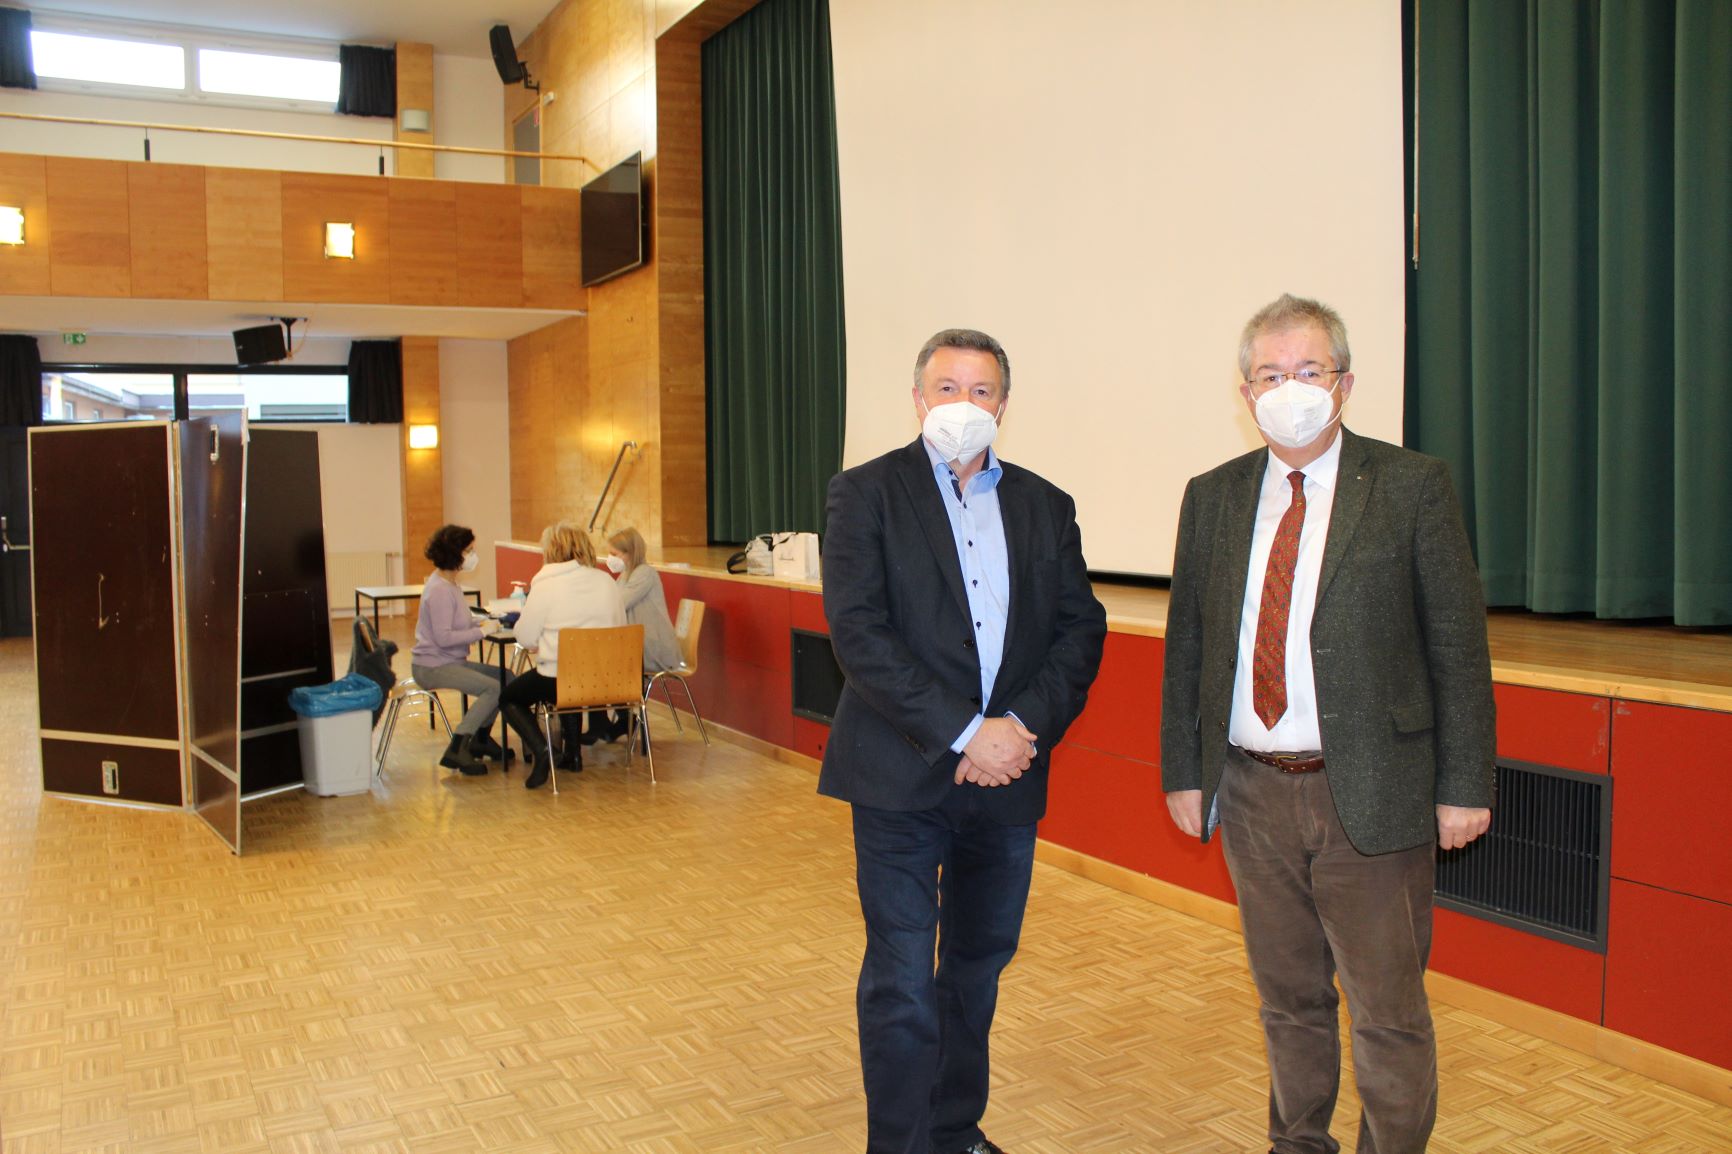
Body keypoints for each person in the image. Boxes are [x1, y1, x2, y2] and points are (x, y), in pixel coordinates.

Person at [1160, 294, 1496, 1154]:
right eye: (1271, 375)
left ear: (1344, 384)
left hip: (1372, 795)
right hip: (1251, 789)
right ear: (1245, 392)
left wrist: (1464, 787)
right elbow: (1189, 645)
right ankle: (1297, 1144)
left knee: (1386, 1013)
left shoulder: (1412, 486)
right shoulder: (1213, 497)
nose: (1290, 389)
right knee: (1289, 1001)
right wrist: (1183, 770)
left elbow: (1457, 646)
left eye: (1308, 371)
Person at [820, 328, 1107, 1154]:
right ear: (916, 400)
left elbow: (1077, 632)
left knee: (975, 971)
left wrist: (1018, 729)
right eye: (946, 388)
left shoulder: (1045, 505)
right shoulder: (864, 493)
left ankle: (954, 1131)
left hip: (1007, 777)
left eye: (981, 392)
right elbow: (860, 633)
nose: (963, 406)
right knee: (904, 982)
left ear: (1004, 407)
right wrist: (962, 732)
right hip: (899, 777)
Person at [497, 522, 626, 789]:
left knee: (509, 697)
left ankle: (544, 750)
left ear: (551, 550)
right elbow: (620, 627)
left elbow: (525, 637)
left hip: (561, 678)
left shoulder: (545, 584)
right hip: (607, 678)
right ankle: (573, 755)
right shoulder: (606, 582)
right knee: (572, 684)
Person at [409, 524, 508, 776]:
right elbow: (444, 638)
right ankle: (458, 745)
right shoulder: (441, 589)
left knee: (506, 678)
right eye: (469, 550)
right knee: (493, 688)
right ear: (455, 554)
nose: (473, 555)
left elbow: (455, 622)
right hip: (434, 666)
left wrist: (482, 621)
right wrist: (481, 632)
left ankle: (481, 738)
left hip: (449, 661)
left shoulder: (449, 583)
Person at [583, 526, 683, 745]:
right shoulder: (625, 575)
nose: (611, 559)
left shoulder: (645, 574)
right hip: (634, 642)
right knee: (598, 661)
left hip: (652, 646)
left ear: (630, 553)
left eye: (615, 554)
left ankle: (618, 720)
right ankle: (616, 720)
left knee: (603, 664)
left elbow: (617, 602)